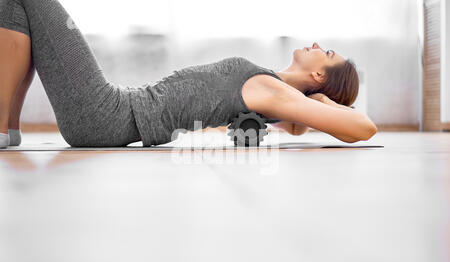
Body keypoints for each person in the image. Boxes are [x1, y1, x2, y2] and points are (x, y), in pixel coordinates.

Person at [0, 0, 377, 149]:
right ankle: (8, 128)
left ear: (318, 76)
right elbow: (298, 126)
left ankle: (2, 128)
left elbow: (364, 128)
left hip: (107, 115)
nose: (316, 44)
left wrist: (327, 102)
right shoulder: (277, 96)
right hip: (110, 113)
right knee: (18, 9)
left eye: (326, 53)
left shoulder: (274, 93)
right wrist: (319, 101)